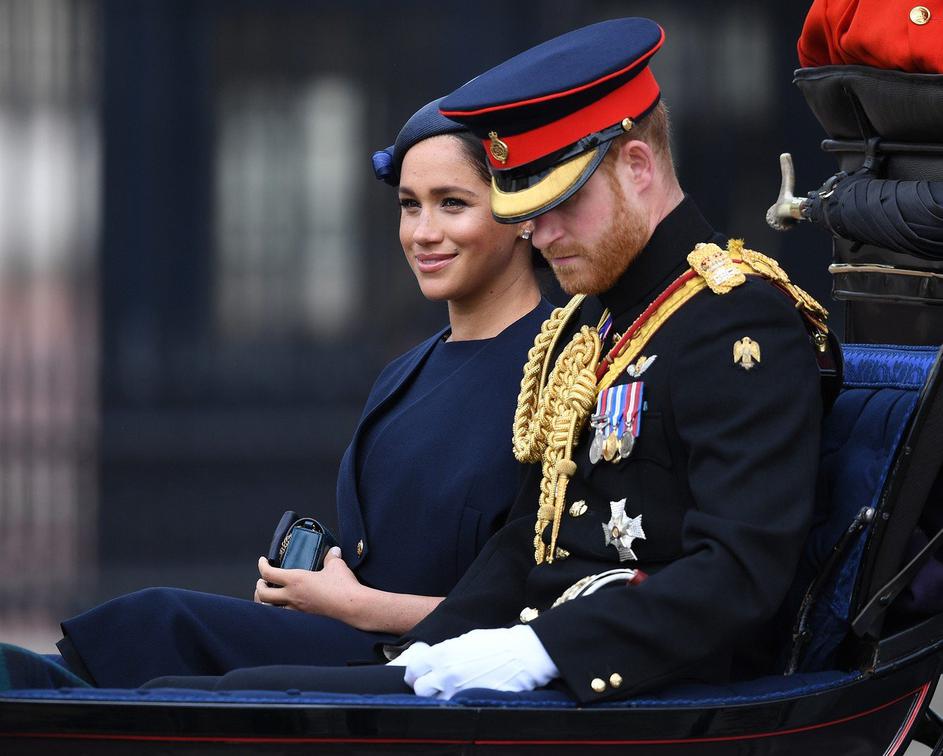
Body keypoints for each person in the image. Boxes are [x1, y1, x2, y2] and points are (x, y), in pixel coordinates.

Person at [5, 17, 833, 703]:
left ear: (638, 167)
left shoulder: (734, 321)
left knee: (208, 705)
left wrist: (543, 649)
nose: (539, 234)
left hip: (632, 692)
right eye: (526, 209)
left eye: (558, 205)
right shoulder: (594, 321)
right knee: (172, 668)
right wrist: (438, 645)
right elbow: (529, 541)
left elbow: (737, 572)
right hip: (537, 667)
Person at [42, 99, 554, 688]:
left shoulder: (561, 372)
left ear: (522, 212)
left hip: (441, 676)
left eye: (453, 204)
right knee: (138, 636)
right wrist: (312, 590)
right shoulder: (405, 372)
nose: (423, 233)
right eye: (410, 205)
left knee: (163, 636)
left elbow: (545, 611)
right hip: (359, 647)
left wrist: (352, 604)